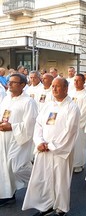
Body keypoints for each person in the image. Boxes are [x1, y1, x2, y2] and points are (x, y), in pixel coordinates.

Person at [22, 78, 80, 216]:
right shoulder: (48, 105)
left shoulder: (72, 107)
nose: (53, 89)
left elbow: (70, 131)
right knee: (44, 178)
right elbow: (38, 124)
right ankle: (46, 204)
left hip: (60, 151)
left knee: (60, 180)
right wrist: (39, 142)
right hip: (44, 149)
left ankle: (60, 208)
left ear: (66, 89)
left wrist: (52, 146)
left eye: (57, 86)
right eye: (53, 86)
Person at [0, 73, 38, 207]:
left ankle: (41, 184)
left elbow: (30, 124)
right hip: (4, 138)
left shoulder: (28, 102)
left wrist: (12, 127)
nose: (9, 84)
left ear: (23, 85)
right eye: (9, 81)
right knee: (4, 168)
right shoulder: (6, 99)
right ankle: (7, 195)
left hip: (18, 139)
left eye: (13, 82)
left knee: (17, 167)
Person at [69, 74, 86, 173]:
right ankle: (71, 163)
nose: (76, 83)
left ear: (83, 82)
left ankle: (79, 164)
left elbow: (85, 110)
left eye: (78, 81)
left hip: (79, 123)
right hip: (69, 122)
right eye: (75, 81)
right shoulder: (71, 93)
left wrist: (76, 120)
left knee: (79, 144)